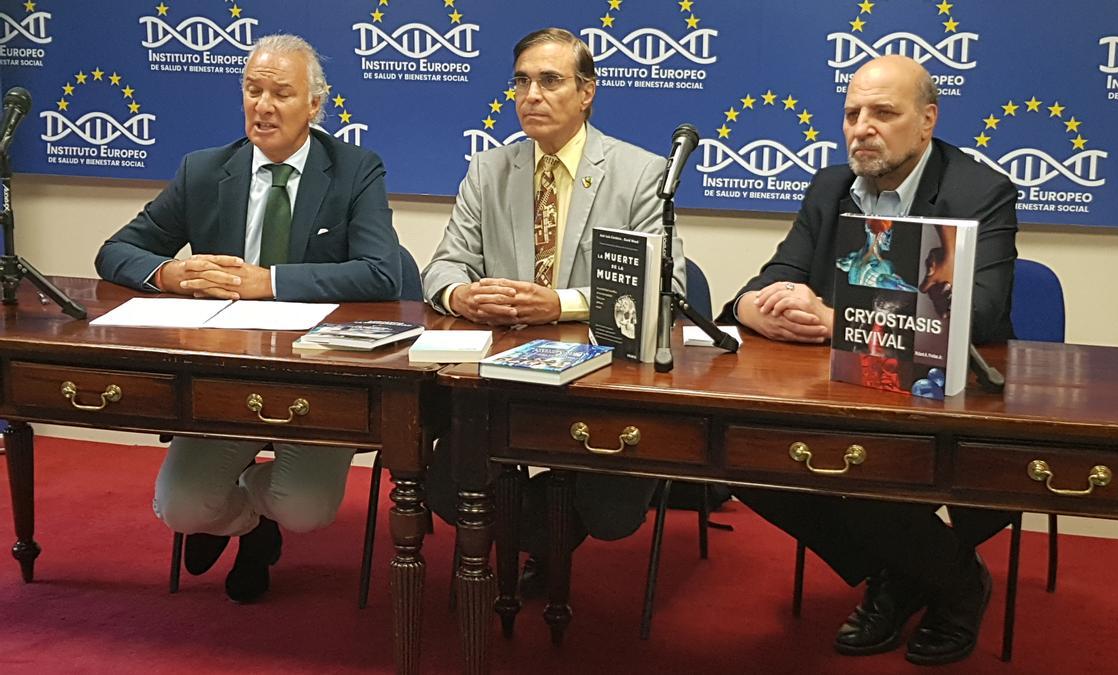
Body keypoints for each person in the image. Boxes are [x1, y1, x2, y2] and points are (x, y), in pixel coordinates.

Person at [716, 55, 1018, 666]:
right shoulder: (830, 188)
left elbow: (975, 314)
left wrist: (834, 320)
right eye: (853, 113)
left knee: (869, 469)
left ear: (927, 120)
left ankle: (958, 586)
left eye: (883, 112)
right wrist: (752, 307)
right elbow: (775, 278)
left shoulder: (977, 192)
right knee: (744, 456)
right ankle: (900, 570)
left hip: (942, 392)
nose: (862, 127)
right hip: (842, 388)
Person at [95, 34, 403, 603]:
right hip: (227, 377)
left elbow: (383, 274)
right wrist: (169, 274)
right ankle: (247, 525)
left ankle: (262, 515)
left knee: (305, 510)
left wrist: (272, 281)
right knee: (181, 507)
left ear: (314, 106)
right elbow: (115, 252)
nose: (262, 105)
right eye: (252, 90)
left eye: (280, 93)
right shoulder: (207, 171)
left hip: (320, 375)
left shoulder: (355, 169)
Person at [422, 27, 686, 594]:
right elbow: (442, 266)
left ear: (586, 93)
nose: (531, 95)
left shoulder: (639, 173)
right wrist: (458, 295)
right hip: (499, 378)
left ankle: (542, 534)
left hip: (600, 378)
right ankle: (533, 536)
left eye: (549, 81)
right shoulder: (489, 171)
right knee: (444, 487)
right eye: (521, 81)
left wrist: (561, 304)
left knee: (610, 513)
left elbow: (666, 288)